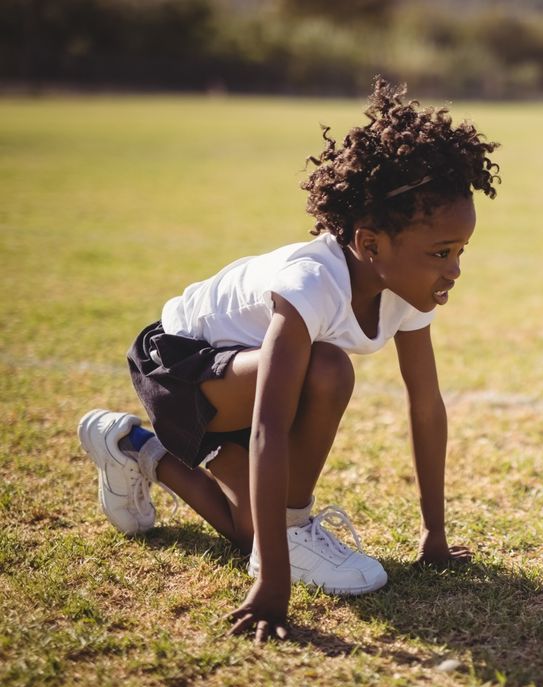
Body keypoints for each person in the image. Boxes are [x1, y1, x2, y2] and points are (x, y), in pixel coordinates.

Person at [76, 77, 500, 642]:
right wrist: (274, 582)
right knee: (327, 368)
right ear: (371, 245)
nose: (454, 271)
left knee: (251, 530)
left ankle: (132, 446)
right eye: (441, 253)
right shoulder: (311, 284)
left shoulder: (407, 289)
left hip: (246, 380)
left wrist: (435, 536)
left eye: (460, 253)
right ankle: (293, 526)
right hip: (180, 366)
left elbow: (426, 406)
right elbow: (271, 427)